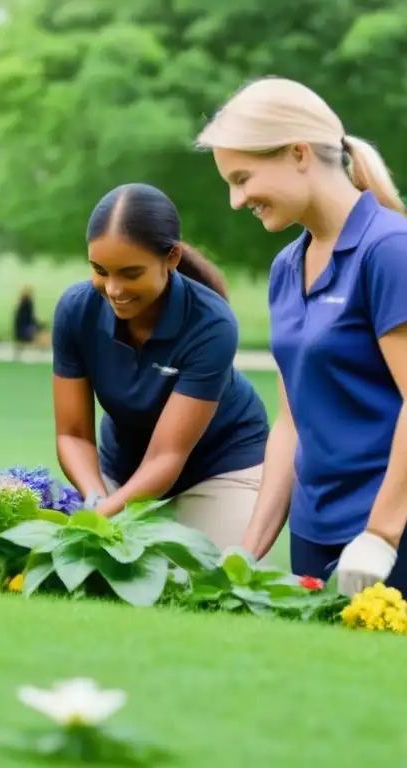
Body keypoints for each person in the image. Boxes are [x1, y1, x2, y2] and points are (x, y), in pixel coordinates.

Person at [197, 76, 407, 596]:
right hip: (313, 537)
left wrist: (380, 535)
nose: (235, 199)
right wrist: (249, 548)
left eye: (243, 178)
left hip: (389, 540)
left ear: (297, 153)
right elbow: (291, 420)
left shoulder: (389, 251)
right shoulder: (286, 269)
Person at [52, 183, 270, 551]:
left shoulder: (212, 324)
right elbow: (72, 434)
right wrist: (94, 499)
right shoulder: (77, 309)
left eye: (131, 273)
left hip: (219, 466)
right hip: (123, 467)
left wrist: (103, 515)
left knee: (202, 586)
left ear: (171, 258)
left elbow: (167, 455)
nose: (114, 289)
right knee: (98, 575)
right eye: (100, 270)